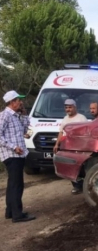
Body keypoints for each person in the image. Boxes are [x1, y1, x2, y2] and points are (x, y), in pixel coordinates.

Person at [0, 90, 36, 222]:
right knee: (17, 185)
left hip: (19, 155)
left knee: (12, 184)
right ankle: (17, 214)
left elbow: (25, 131)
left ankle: (10, 211)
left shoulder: (16, 116)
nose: (21, 102)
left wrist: (25, 115)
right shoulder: (5, 116)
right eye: (18, 100)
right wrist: (13, 147)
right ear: (12, 102)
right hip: (12, 154)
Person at [53, 99, 87, 194]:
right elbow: (61, 132)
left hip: (79, 148)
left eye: (70, 107)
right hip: (68, 148)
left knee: (82, 168)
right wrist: (57, 144)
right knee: (71, 167)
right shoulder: (65, 119)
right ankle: (76, 186)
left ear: (75, 107)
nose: (68, 109)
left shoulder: (81, 118)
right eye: (66, 107)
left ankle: (85, 185)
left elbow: (85, 133)